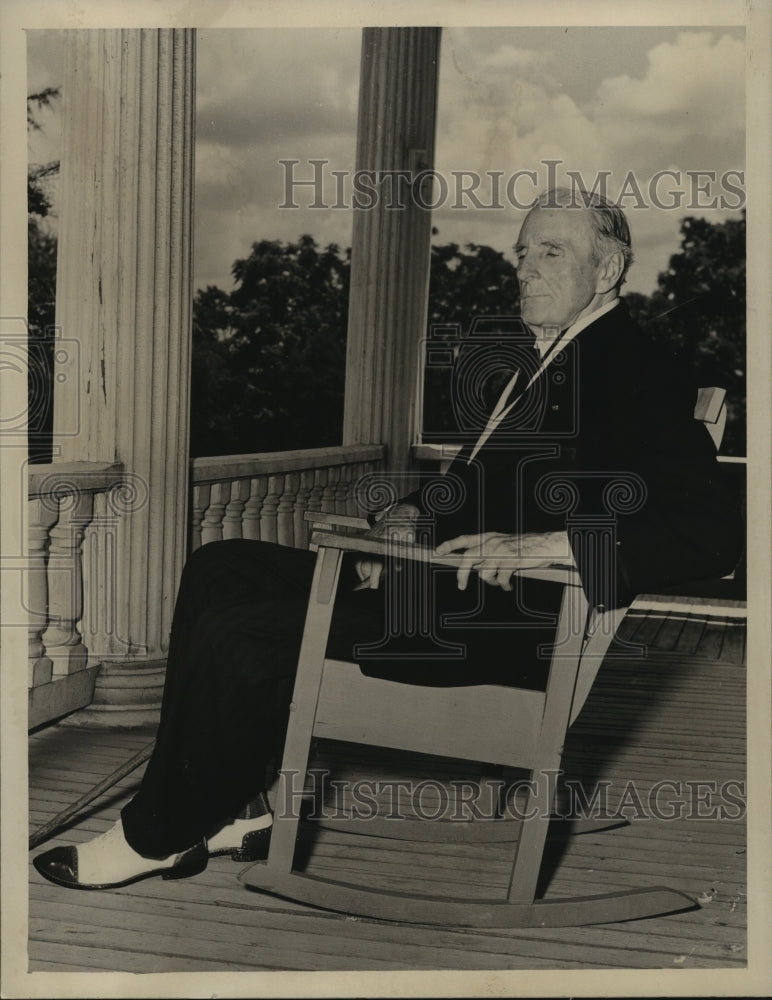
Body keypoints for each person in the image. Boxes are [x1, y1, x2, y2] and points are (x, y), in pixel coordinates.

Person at [33, 189, 742, 890]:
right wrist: (412, 514)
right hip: (441, 593)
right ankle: (237, 812)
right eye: (522, 252)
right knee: (222, 565)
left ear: (608, 270)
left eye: (550, 252)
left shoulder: (632, 369)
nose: (524, 269)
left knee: (245, 633)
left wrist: (546, 546)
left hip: (502, 635)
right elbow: (476, 489)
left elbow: (713, 530)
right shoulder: (553, 360)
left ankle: (156, 834)